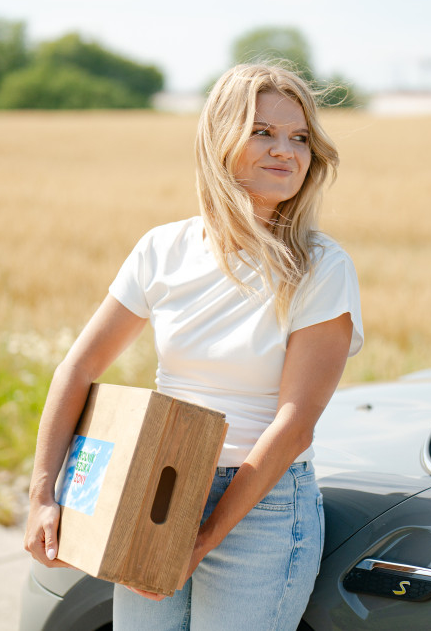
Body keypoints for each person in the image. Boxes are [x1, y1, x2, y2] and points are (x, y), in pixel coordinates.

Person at [23, 62, 363, 631]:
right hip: (156, 489)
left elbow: (294, 424)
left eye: (300, 138)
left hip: (264, 506)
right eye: (263, 132)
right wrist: (42, 495)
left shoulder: (322, 267)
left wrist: (202, 540)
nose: (287, 151)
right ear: (220, 140)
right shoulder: (163, 249)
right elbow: (77, 367)